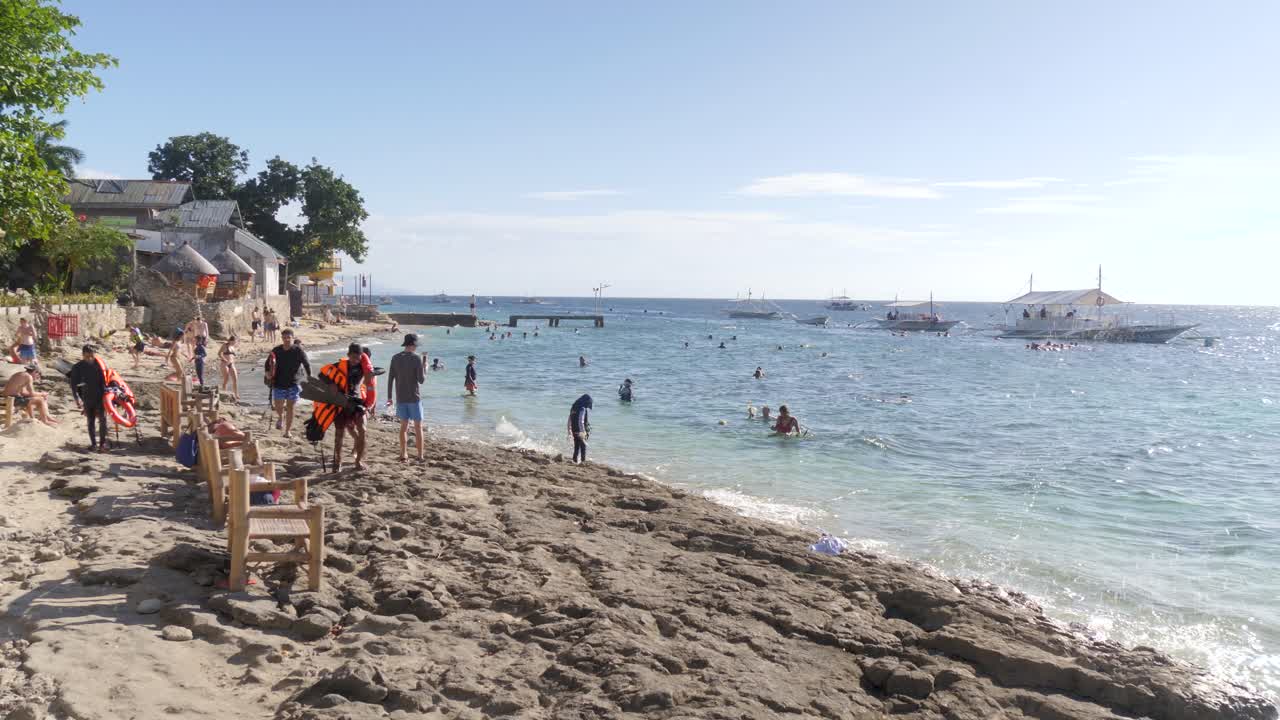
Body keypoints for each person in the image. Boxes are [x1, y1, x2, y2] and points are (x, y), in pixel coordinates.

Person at [322, 343, 375, 471]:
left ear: (361, 357)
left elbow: (374, 374)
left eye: (358, 357)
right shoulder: (339, 366)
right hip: (341, 402)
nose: (355, 360)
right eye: (352, 357)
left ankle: (358, 461)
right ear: (348, 355)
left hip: (357, 402)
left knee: (362, 430)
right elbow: (322, 374)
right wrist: (331, 383)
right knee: (339, 433)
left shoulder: (364, 368)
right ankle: (337, 461)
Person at [385, 333, 427, 462]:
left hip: (400, 398)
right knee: (418, 427)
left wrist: (389, 397)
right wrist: (425, 366)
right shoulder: (416, 359)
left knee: (404, 427)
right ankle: (420, 456)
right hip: (414, 398)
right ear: (413, 345)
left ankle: (403, 454)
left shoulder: (395, 358)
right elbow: (421, 380)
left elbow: (390, 378)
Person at [265, 328, 311, 437]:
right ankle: (281, 417)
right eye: (284, 338)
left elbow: (306, 364)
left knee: (290, 407)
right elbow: (267, 364)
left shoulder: (298, 350)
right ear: (282, 338)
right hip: (279, 383)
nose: (286, 340)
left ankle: (287, 431)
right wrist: (267, 373)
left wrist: (310, 378)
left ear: (292, 338)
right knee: (278, 405)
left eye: (289, 338)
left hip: (294, 383)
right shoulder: (276, 350)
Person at [69, 345, 110, 451]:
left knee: (103, 419)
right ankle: (93, 444)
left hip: (101, 396)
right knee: (90, 420)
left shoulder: (99, 364)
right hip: (87, 397)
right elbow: (74, 385)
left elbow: (107, 380)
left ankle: (102, 444)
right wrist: (77, 399)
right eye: (87, 356)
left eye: (92, 356)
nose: (90, 359)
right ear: (83, 355)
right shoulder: (77, 367)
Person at [567, 394, 592, 464]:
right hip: (580, 430)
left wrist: (569, 429)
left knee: (576, 446)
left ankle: (574, 460)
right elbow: (581, 421)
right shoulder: (582, 409)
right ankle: (583, 461)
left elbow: (569, 419)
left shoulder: (574, 407)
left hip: (574, 429)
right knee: (583, 447)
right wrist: (583, 431)